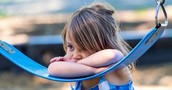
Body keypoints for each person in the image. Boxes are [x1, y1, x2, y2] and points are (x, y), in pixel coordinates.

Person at [48, 2, 134, 90]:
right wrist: (93, 70)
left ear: (105, 45)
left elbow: (113, 55)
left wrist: (77, 64)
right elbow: (52, 69)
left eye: (83, 48)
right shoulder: (74, 66)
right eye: (70, 47)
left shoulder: (114, 67)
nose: (75, 55)